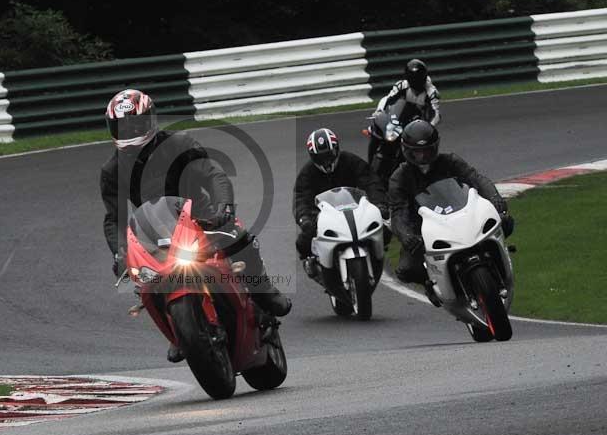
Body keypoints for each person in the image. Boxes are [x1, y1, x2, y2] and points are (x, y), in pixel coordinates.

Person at [100, 89, 292, 360]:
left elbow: (212, 173)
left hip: (201, 218)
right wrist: (120, 251)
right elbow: (114, 217)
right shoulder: (112, 170)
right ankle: (178, 330)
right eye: (121, 126)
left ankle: (265, 293)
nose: (128, 131)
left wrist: (223, 207)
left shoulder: (178, 144)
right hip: (153, 234)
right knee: (143, 281)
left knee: (238, 237)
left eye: (133, 123)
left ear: (149, 120)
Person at [388, 120, 515, 306]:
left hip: (462, 214)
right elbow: (398, 211)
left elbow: (477, 179)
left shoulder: (450, 162)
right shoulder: (399, 177)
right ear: (407, 151)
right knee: (406, 269)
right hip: (424, 230)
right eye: (417, 152)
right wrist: (407, 236)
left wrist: (496, 200)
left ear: (436, 147)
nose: (422, 156)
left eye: (427, 151)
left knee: (506, 222)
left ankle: (499, 262)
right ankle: (430, 283)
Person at [292, 128, 388, 279]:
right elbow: (301, 198)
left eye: (328, 155)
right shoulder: (307, 173)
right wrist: (305, 219)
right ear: (313, 157)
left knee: (385, 225)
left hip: (354, 209)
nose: (326, 161)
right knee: (303, 240)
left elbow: (371, 181)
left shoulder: (350, 161)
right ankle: (309, 260)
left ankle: (379, 251)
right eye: (320, 157)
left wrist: (379, 203)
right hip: (323, 216)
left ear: (336, 150)